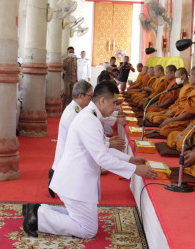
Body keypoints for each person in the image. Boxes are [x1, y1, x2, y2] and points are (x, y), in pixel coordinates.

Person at [22, 81, 158, 238]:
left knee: (82, 220)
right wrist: (136, 170)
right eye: (114, 102)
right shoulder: (88, 119)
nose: (115, 107)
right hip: (74, 181)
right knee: (88, 230)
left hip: (78, 179)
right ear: (102, 101)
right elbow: (102, 157)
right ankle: (38, 218)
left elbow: (102, 149)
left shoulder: (91, 117)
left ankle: (37, 209)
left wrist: (130, 159)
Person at [49, 80, 94, 198]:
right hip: (69, 154)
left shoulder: (77, 109)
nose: (92, 99)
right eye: (90, 96)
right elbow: (81, 137)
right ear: (81, 96)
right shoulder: (73, 113)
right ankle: (55, 177)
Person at [157, 65, 195, 136]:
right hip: (179, 114)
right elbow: (179, 103)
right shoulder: (194, 90)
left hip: (189, 120)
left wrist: (172, 119)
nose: (190, 78)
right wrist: (168, 112)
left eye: (191, 76)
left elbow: (190, 113)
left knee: (165, 129)